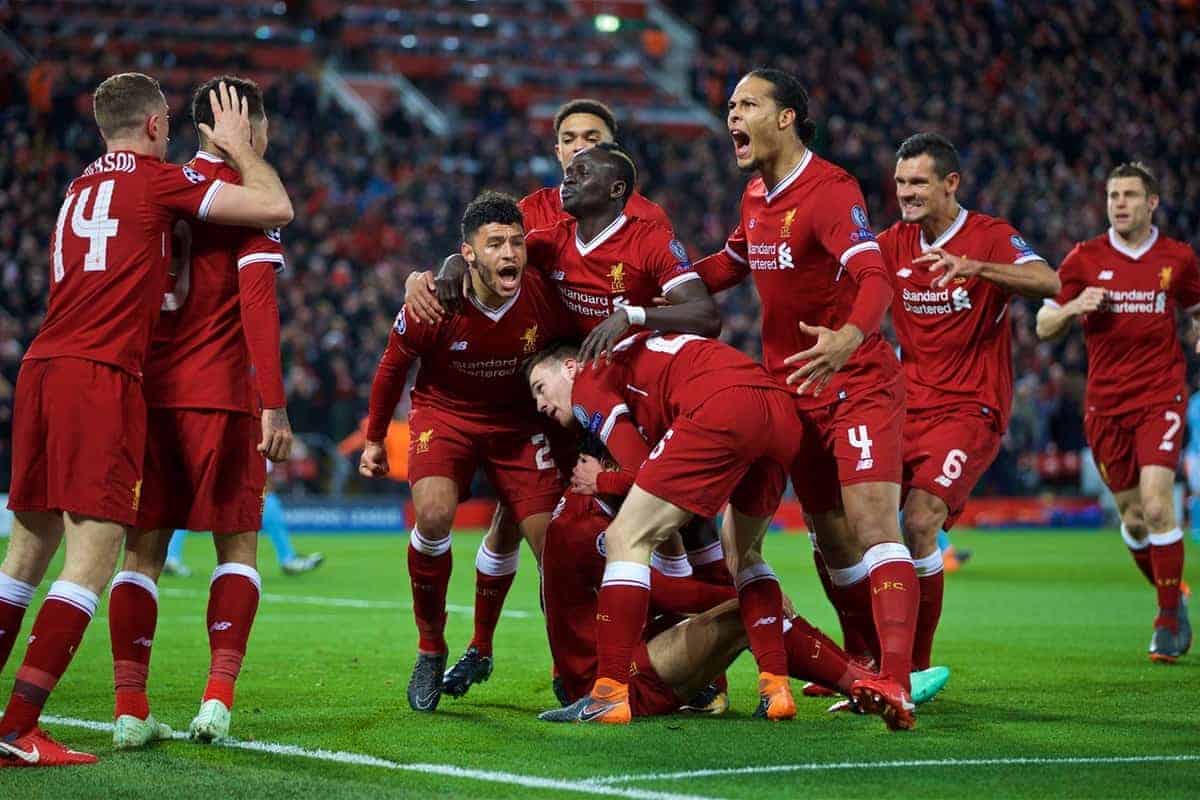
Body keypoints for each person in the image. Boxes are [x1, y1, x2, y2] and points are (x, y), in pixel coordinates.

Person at [0, 74, 293, 767]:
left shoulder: (78, 188)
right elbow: (274, 209)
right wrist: (237, 147)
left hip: (44, 366)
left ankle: (116, 709)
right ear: (160, 124)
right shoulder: (162, 183)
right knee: (95, 558)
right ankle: (17, 728)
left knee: (26, 555)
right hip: (112, 379)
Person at [402, 144, 722, 698]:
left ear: (617, 181)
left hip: (631, 394)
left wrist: (634, 317)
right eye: (567, 147)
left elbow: (703, 308)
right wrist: (444, 267)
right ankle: (542, 655)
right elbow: (487, 245)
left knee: (664, 526)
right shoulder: (544, 228)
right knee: (557, 535)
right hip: (556, 399)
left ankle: (704, 657)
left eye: (587, 150)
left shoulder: (649, 228)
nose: (572, 163)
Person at [526, 333, 918, 729]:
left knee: (626, 539)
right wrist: (755, 599)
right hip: (776, 405)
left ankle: (607, 695)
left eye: (541, 388)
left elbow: (639, 469)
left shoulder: (591, 384)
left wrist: (606, 482)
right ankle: (851, 683)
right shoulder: (578, 519)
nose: (541, 404)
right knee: (744, 560)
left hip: (719, 408)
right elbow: (671, 590)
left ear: (572, 366)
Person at [691, 68, 919, 714]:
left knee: (874, 525)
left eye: (748, 104)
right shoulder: (756, 195)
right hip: (794, 389)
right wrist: (656, 288)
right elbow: (729, 265)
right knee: (831, 537)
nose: (732, 115)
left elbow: (875, 275)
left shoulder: (828, 190)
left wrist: (849, 337)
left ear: (786, 117)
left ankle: (896, 679)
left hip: (856, 381)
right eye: (729, 104)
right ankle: (862, 662)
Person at [359, 191, 573, 712]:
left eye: (516, 242)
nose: (510, 254)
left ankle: (569, 664)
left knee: (555, 546)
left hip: (520, 423)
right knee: (432, 516)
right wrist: (374, 438)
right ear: (468, 253)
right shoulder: (435, 301)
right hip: (446, 414)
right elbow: (392, 366)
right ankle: (430, 648)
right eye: (495, 243)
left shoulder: (544, 296)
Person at [875, 133, 1059, 671]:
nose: (906, 194)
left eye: (918, 183)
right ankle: (874, 654)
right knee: (873, 526)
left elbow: (1048, 280)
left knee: (920, 522)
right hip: (906, 407)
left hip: (970, 407)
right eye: (900, 183)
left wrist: (978, 269)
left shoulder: (989, 235)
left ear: (951, 183)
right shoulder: (893, 243)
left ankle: (914, 667)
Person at [541, 489, 948, 726]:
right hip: (618, 679)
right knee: (746, 614)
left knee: (751, 608)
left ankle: (866, 679)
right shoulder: (586, 524)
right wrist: (755, 598)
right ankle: (864, 682)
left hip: (623, 659)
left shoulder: (597, 511)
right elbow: (669, 596)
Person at [1036, 162, 1198, 663]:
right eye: (1112, 195)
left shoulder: (1178, 258)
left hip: (1160, 396)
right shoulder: (1085, 258)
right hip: (1105, 406)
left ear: (1152, 203)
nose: (1119, 203)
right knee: (1132, 520)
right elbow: (1044, 324)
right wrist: (1073, 307)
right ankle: (1174, 594)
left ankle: (1167, 620)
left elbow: (1194, 306)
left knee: (1156, 504)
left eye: (1129, 194)